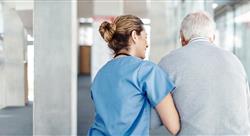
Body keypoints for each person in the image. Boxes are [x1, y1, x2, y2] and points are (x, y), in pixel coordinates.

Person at [158, 11, 250, 135]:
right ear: (213, 37)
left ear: (182, 37)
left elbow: (157, 119)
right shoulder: (235, 61)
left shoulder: (168, 62)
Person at [88, 15, 180, 136]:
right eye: (145, 38)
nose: (147, 44)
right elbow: (174, 127)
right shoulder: (146, 70)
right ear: (134, 36)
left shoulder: (100, 75)